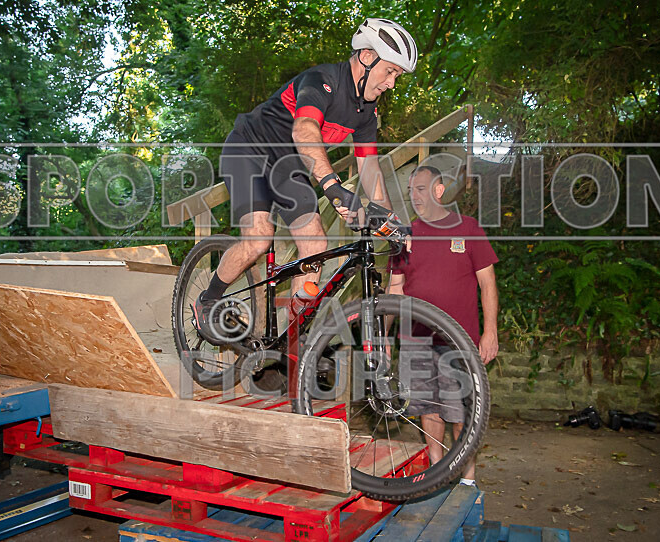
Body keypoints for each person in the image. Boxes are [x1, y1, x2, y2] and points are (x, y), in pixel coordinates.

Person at [195, 18, 419, 343]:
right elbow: (304, 130)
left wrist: (390, 219)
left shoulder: (366, 113)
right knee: (259, 238)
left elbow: (370, 168)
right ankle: (209, 300)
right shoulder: (323, 79)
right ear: (368, 57)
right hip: (250, 149)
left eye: (397, 76)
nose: (392, 83)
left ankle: (287, 343)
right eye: (391, 71)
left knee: (315, 245)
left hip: (289, 166)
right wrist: (331, 185)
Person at [387, 165, 499, 487]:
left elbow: (488, 284)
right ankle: (436, 473)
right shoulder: (404, 237)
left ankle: (467, 479)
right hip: (415, 339)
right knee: (428, 408)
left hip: (458, 342)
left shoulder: (468, 228)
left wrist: (490, 331)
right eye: (410, 190)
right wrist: (382, 334)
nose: (414, 196)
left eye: (421, 189)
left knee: (461, 412)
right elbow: (394, 289)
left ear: (438, 190)